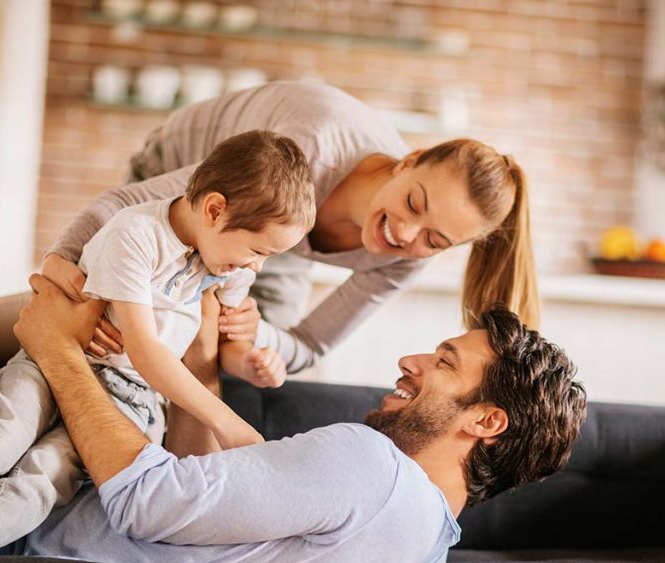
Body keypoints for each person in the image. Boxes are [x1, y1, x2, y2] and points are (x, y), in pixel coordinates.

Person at [0, 274, 586, 563]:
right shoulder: (422, 543)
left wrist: (58, 349)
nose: (411, 362)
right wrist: (201, 360)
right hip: (35, 509)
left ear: (486, 419)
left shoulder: (372, 466)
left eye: (443, 363)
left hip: (8, 513)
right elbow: (202, 504)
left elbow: (147, 503)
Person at [0, 130, 316, 563]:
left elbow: (222, 351)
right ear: (214, 209)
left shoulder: (227, 266)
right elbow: (145, 349)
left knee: (51, 475)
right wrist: (225, 422)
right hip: (56, 364)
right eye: (259, 251)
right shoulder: (137, 235)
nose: (257, 267)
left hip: (129, 399)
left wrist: (253, 362)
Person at [41, 81, 540, 376]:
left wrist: (264, 337)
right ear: (407, 160)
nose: (407, 235)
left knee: (236, 358)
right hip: (187, 181)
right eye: (413, 203)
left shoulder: (400, 260)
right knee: (113, 336)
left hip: (274, 242)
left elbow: (308, 345)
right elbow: (124, 202)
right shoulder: (308, 147)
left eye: (435, 240)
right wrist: (60, 258)